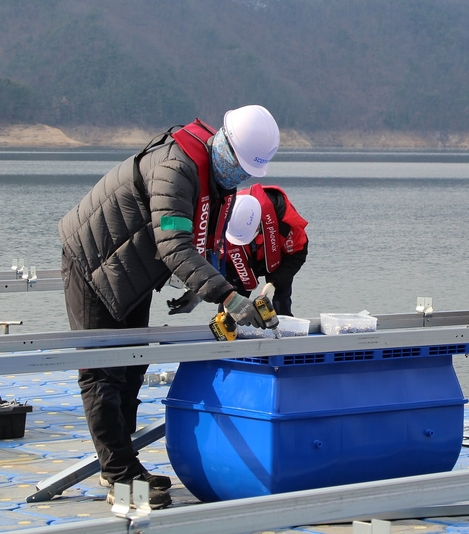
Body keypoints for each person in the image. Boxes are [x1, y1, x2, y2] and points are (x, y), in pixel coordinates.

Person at [58, 105, 280, 509]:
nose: (242, 177)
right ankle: (120, 479)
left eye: (250, 171)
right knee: (103, 374)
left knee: (132, 365)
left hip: (129, 267)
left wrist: (198, 286)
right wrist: (227, 296)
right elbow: (173, 244)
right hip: (93, 261)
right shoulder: (175, 168)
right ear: (224, 145)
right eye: (240, 166)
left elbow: (198, 240)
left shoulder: (214, 177)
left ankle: (127, 465)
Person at [220, 184, 308, 316]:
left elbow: (297, 254)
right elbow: (222, 263)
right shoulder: (224, 220)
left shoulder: (286, 221)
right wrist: (227, 295)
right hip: (241, 259)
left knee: (281, 301)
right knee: (230, 306)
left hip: (278, 258)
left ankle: (284, 328)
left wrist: (274, 283)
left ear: (259, 224)